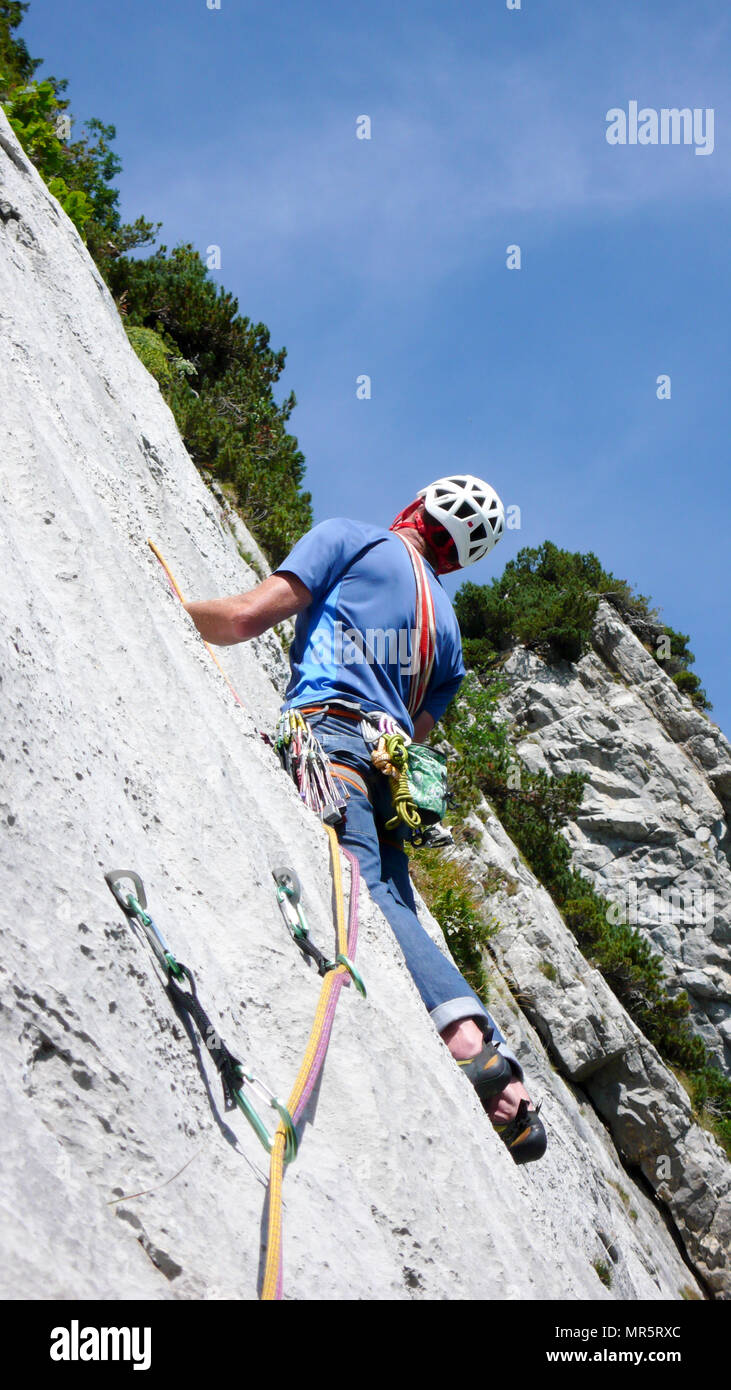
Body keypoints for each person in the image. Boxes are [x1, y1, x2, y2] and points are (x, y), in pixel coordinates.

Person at [185, 475, 546, 1163]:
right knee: (394, 895)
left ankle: (475, 1046)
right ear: (461, 559)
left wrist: (173, 607)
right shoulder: (449, 635)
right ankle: (490, 1063)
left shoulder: (353, 538)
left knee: (366, 890)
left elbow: (243, 619)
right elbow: (417, 729)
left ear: (414, 508)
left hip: (333, 737)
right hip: (391, 775)